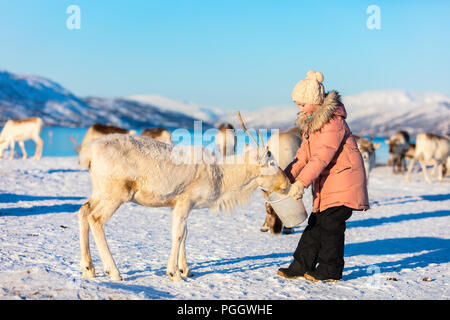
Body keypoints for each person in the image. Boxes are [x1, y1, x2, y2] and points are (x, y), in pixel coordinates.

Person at [278, 70, 369, 282]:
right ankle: (301, 265)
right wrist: (284, 178)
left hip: (345, 180)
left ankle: (330, 269)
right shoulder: (310, 125)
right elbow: (302, 157)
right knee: (316, 224)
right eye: (297, 105)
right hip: (328, 183)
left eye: (302, 104)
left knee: (330, 227)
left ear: (315, 102)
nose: (299, 109)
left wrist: (301, 183)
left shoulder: (331, 122)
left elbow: (321, 157)